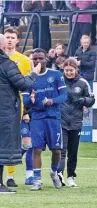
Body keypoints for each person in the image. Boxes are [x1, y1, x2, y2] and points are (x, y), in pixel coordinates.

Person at [21, 48, 67, 191]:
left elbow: (64, 95)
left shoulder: (56, 74)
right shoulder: (30, 78)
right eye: (35, 59)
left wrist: (52, 101)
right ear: (32, 61)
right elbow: (26, 100)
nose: (38, 61)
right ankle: (37, 180)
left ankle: (54, 172)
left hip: (53, 118)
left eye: (41, 58)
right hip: (37, 119)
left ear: (46, 59)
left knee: (56, 150)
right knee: (37, 149)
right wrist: (32, 100)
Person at [0, 33, 41, 193]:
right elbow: (23, 84)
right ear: (3, 45)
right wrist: (34, 73)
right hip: (5, 111)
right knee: (3, 147)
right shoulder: (6, 64)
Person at [58, 58, 95, 187]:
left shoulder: (83, 83)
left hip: (76, 121)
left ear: (76, 70)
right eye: (66, 70)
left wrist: (83, 100)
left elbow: (92, 99)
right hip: (61, 121)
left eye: (71, 70)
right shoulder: (59, 80)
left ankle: (70, 176)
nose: (68, 73)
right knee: (61, 150)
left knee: (73, 152)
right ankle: (59, 174)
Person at [3, 27, 34, 187]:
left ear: (17, 40)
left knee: (16, 142)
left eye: (12, 37)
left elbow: (27, 86)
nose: (9, 40)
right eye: (7, 37)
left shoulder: (23, 60)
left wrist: (26, 110)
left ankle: (10, 176)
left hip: (16, 106)